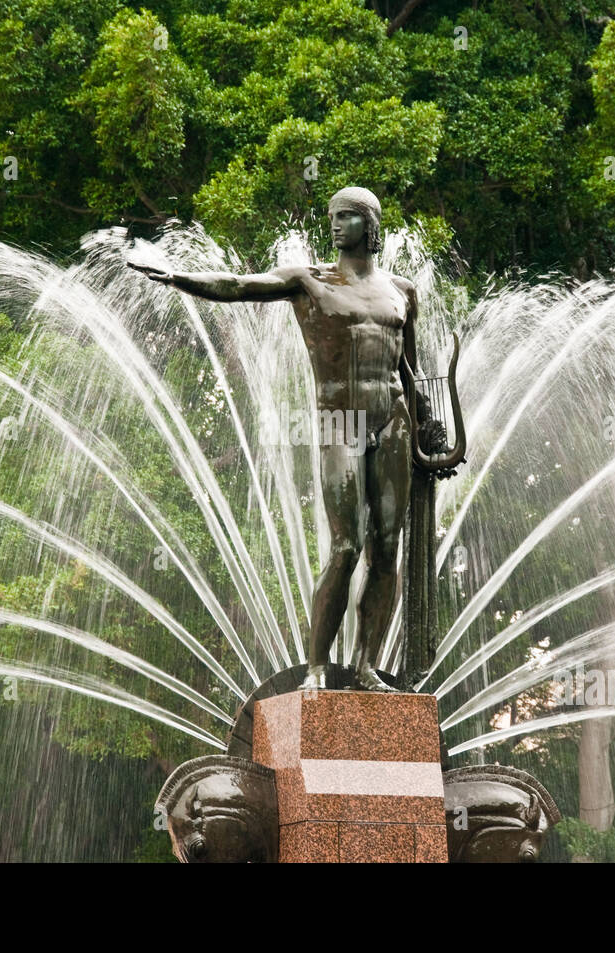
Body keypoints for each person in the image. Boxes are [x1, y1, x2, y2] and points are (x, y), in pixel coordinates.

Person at [128, 187, 416, 691]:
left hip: (394, 421)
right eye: (332, 216)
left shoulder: (404, 291)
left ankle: (368, 668)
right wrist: (178, 276)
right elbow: (239, 285)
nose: (335, 224)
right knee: (346, 546)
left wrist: (429, 421)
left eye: (347, 217)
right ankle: (317, 668)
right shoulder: (306, 281)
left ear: (369, 224)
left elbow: (409, 367)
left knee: (387, 550)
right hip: (340, 422)